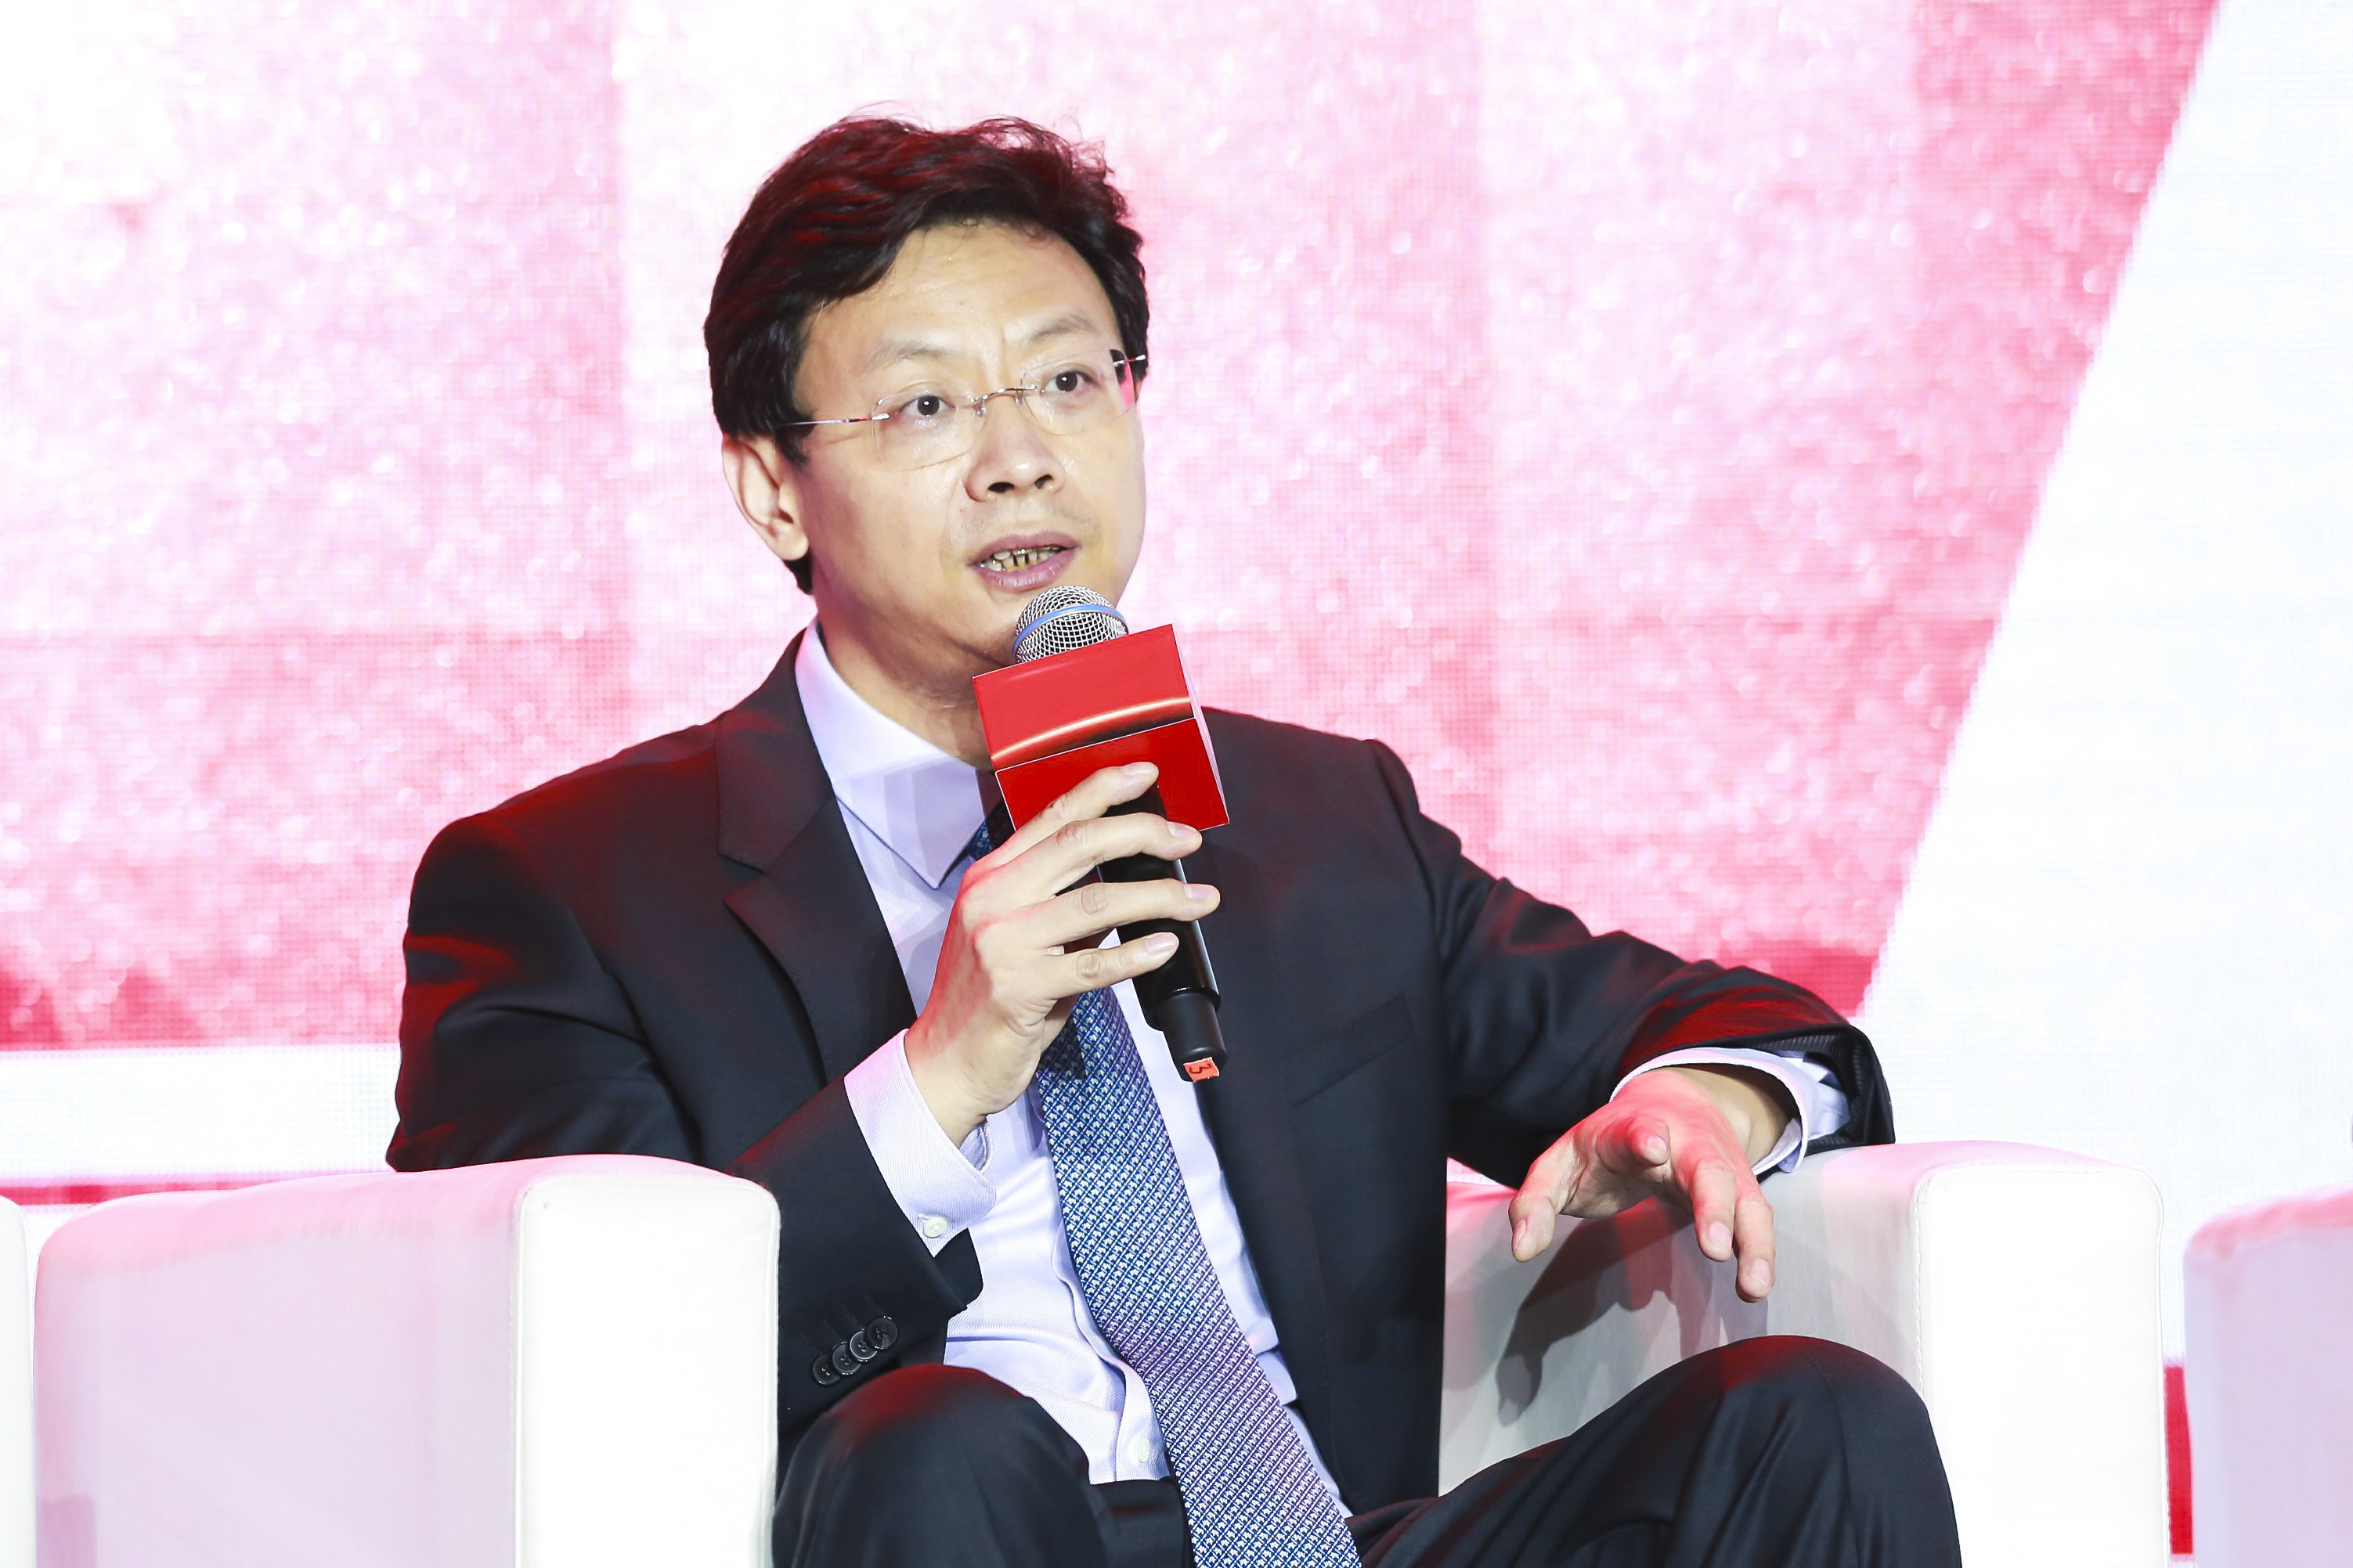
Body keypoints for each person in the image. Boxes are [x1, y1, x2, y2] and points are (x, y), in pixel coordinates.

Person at [391, 116, 1961, 1567]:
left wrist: (1701, 1096)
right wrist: (942, 1074)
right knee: (938, 1440)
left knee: (1811, 1422)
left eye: (1071, 383)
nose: (1021, 458)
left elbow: (1755, 1029)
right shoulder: (563, 890)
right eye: (927, 405)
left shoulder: (1318, 822)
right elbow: (573, 1364)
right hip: (958, 1528)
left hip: (1322, 1536)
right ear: (772, 489)